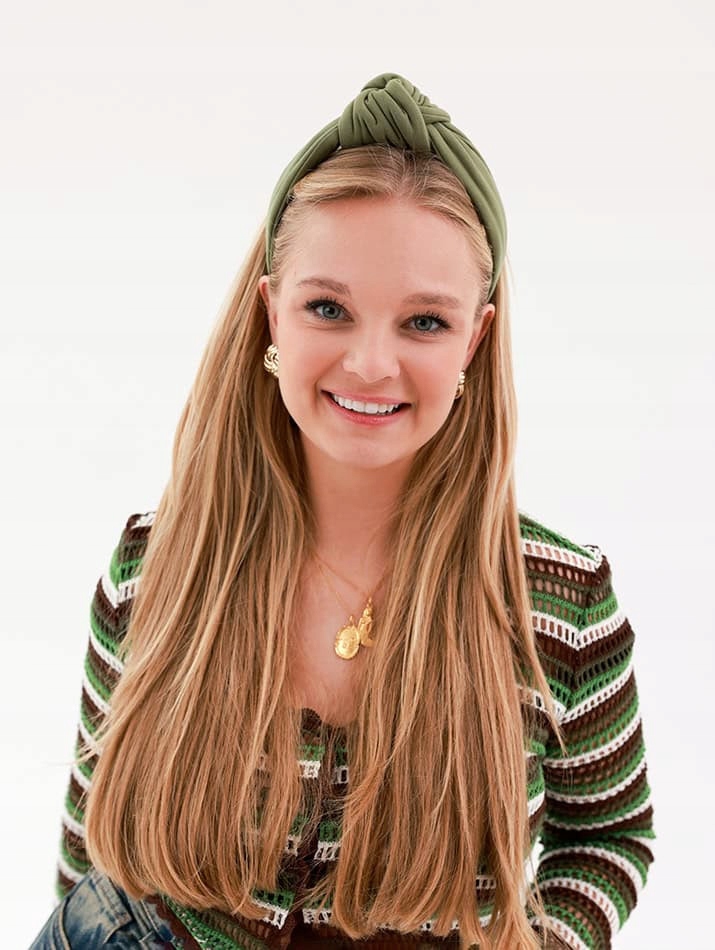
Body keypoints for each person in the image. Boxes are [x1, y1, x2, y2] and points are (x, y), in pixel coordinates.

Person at [30, 73, 654, 950]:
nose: (369, 364)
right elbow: (92, 835)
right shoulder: (155, 564)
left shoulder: (558, 603)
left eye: (423, 322)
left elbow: (608, 838)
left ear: (474, 337)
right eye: (328, 307)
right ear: (270, 316)